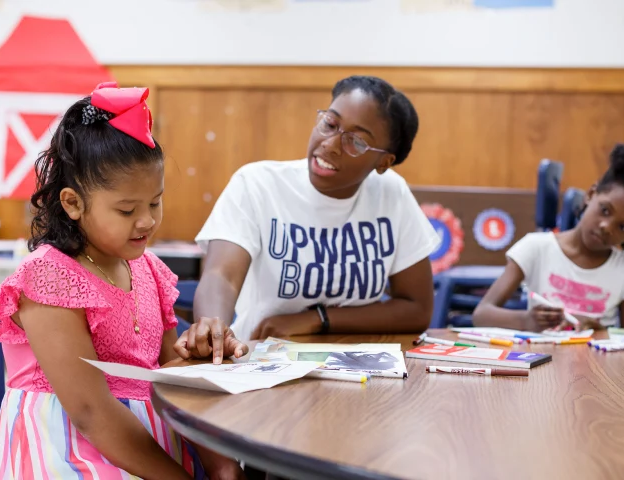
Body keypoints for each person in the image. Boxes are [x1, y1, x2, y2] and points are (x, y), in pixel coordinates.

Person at [0, 82, 247, 480]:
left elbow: (162, 362)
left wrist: (203, 350)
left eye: (155, 202)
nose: (147, 221)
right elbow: (89, 413)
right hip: (70, 447)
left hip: (144, 440)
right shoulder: (49, 277)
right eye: (126, 210)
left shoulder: (146, 267)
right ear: (72, 202)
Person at [177, 75, 439, 350]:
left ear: (384, 162)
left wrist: (318, 318)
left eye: (357, 142)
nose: (331, 143)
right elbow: (222, 275)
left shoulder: (391, 193)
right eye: (330, 124)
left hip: (355, 365)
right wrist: (212, 325)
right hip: (264, 357)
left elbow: (417, 308)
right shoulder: (257, 183)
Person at [473, 144, 624, 332]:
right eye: (605, 210)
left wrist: (601, 331)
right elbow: (482, 315)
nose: (606, 226)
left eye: (623, 227)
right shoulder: (535, 248)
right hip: (539, 367)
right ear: (590, 195)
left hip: (595, 374)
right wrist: (527, 320)